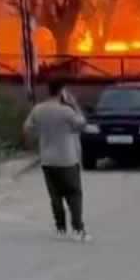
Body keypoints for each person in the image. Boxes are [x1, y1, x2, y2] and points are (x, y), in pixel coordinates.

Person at [23, 79, 92, 242]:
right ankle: (78, 229)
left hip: (47, 160)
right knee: (74, 195)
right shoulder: (66, 111)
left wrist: (30, 144)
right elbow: (82, 124)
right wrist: (74, 104)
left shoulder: (38, 109)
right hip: (67, 160)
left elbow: (26, 128)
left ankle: (60, 228)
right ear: (62, 92)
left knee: (55, 196)